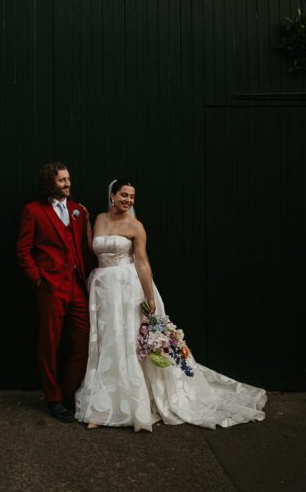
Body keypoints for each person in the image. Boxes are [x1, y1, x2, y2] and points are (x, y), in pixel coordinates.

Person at [74, 179, 267, 431]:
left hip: (127, 288)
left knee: (128, 343)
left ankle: (131, 406)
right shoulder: (99, 218)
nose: (128, 201)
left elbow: (142, 262)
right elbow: (93, 248)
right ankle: (103, 406)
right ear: (112, 196)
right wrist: (87, 223)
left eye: (132, 197)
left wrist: (150, 299)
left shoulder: (136, 226)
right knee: (108, 342)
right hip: (103, 289)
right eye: (124, 195)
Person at [17, 162, 93, 422]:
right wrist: (38, 281)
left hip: (77, 287)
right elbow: (24, 252)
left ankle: (69, 393)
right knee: (49, 344)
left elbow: (83, 248)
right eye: (62, 180)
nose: (68, 184)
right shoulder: (33, 211)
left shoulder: (77, 211)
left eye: (68, 179)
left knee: (83, 342)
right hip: (50, 288)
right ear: (51, 183)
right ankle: (54, 398)